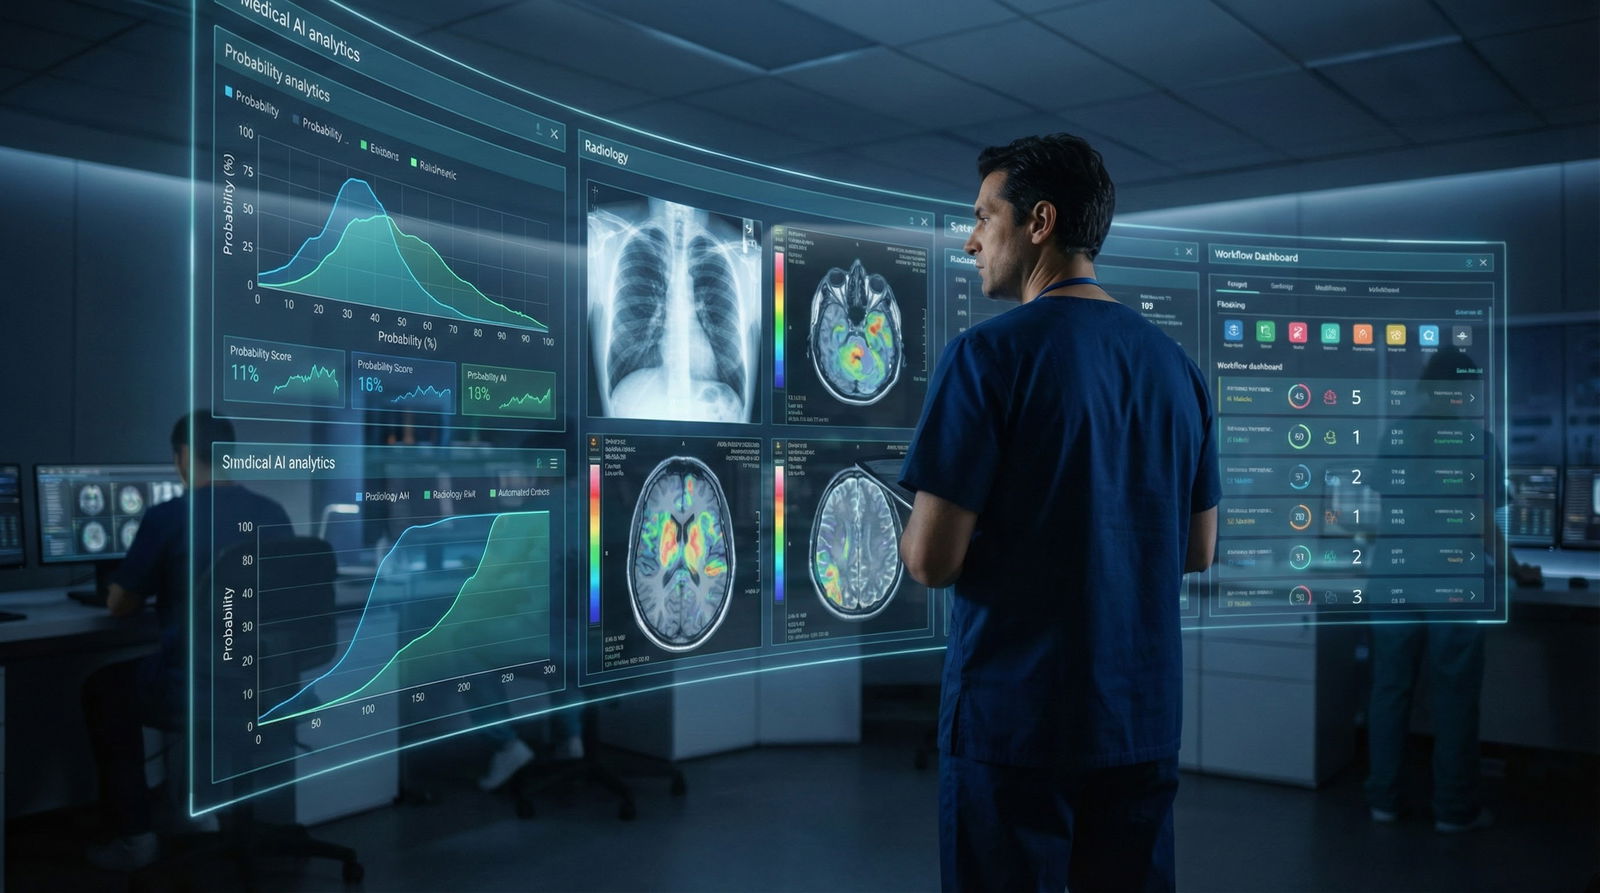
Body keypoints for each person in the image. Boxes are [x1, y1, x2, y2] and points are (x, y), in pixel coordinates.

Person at [899, 133, 1219, 892]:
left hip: (1018, 725)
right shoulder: (1178, 370)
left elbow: (930, 561)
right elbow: (1198, 548)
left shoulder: (985, 356)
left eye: (983, 216)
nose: (970, 240)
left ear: (1039, 222)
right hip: (1137, 720)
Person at [81, 411, 292, 870]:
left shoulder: (167, 517)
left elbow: (120, 606)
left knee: (103, 689)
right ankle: (196, 813)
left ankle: (134, 837)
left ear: (180, 456)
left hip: (196, 681)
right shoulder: (272, 512)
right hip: (264, 677)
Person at [1363, 348, 1541, 833]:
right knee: (1454, 697)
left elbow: (1385, 508)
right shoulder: (1477, 441)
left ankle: (1383, 801)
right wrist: (1517, 568)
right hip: (1452, 585)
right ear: (1466, 388)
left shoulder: (1396, 435)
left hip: (1393, 581)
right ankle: (1453, 811)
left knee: (1389, 691)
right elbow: (1485, 521)